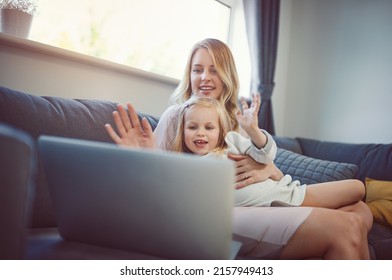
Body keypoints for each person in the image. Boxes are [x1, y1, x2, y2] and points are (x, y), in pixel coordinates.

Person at [105, 38, 373, 259]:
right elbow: (157, 194)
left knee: (361, 211)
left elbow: (272, 172)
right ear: (189, 75)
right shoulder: (177, 115)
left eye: (214, 70)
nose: (205, 78)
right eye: (197, 70)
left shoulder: (240, 119)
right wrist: (143, 158)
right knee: (346, 226)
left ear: (227, 76)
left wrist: (267, 169)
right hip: (220, 212)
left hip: (263, 201)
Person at [169, 95, 366, 209]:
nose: (200, 133)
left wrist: (253, 131)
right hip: (270, 206)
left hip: (289, 194)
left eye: (209, 127)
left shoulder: (232, 142)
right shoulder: (187, 168)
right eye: (193, 127)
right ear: (183, 130)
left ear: (221, 131)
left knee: (359, 193)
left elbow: (265, 156)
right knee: (356, 204)